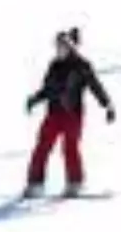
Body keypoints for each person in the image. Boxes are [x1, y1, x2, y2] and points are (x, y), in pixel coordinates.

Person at [24, 28, 115, 198]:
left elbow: (95, 86)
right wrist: (35, 99)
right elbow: (47, 88)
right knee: (42, 145)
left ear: (70, 47)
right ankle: (35, 183)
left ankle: (75, 182)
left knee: (70, 148)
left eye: (63, 46)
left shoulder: (81, 65)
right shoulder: (54, 65)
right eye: (57, 46)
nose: (59, 50)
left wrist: (107, 104)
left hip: (72, 114)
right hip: (54, 113)